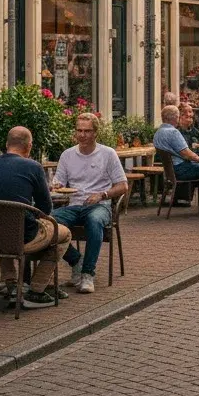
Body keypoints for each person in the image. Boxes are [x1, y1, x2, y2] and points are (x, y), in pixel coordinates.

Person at [0, 126, 72, 308]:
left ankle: (12, 284)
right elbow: (45, 208)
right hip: (22, 236)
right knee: (64, 234)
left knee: (0, 223)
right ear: (29, 146)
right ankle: (36, 290)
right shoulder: (33, 167)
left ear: (7, 144)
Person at [51, 113, 129, 294]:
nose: (82, 135)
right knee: (49, 222)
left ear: (95, 133)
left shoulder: (108, 154)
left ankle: (87, 274)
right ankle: (76, 261)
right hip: (73, 205)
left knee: (94, 221)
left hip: (99, 205)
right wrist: (57, 186)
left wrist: (102, 195)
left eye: (87, 131)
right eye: (79, 130)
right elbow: (58, 183)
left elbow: (123, 186)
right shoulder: (67, 155)